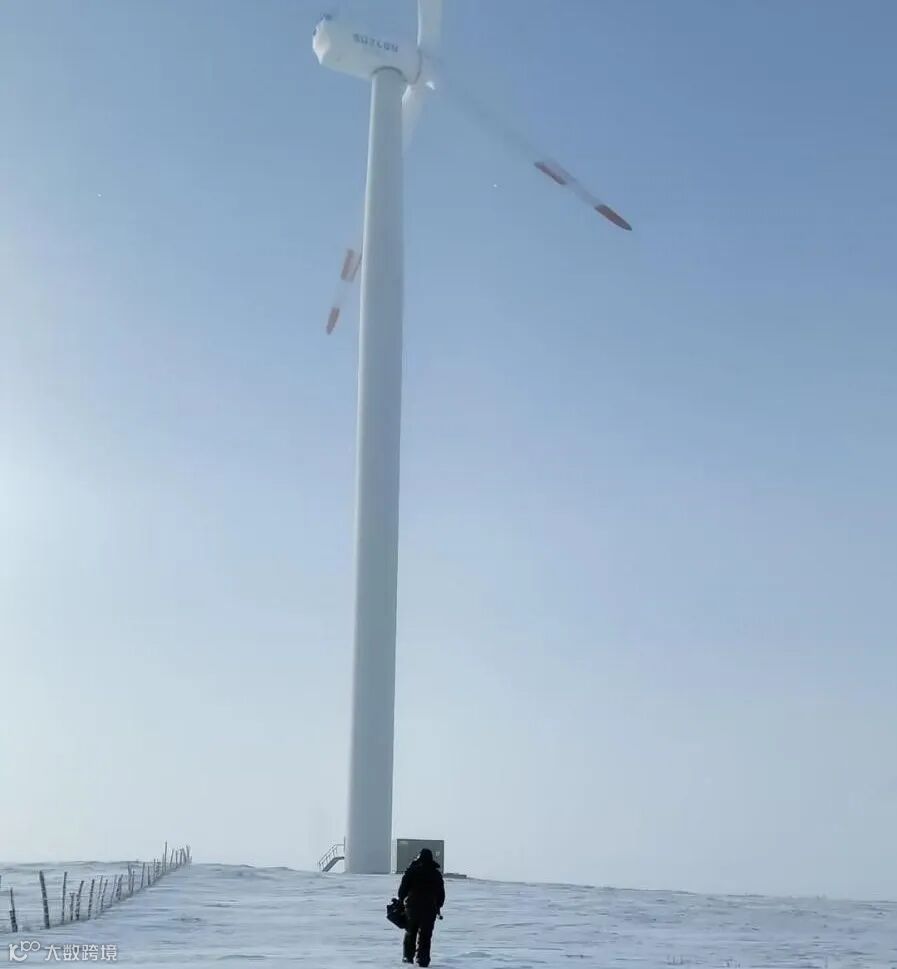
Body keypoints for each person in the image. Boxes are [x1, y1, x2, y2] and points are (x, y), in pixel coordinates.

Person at [397, 848, 445, 967]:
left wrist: (401, 901)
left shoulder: (412, 871)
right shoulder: (436, 874)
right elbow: (441, 894)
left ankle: (408, 958)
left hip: (412, 908)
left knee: (410, 933)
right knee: (425, 936)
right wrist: (438, 906)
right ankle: (423, 960)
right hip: (429, 909)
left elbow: (403, 889)